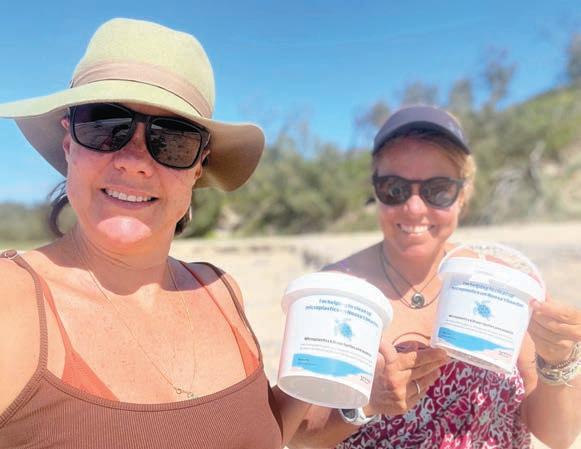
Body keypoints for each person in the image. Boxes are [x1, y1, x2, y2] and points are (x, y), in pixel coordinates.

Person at [0, 18, 307, 448]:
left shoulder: (221, 291)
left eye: (173, 139)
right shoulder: (10, 302)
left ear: (198, 166)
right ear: (69, 145)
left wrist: (344, 393)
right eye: (105, 126)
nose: (134, 161)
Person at [289, 105, 581, 449]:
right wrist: (366, 402)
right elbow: (302, 436)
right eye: (394, 188)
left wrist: (558, 360)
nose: (414, 208)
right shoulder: (336, 292)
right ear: (375, 190)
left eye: (438, 189)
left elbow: (558, 436)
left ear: (463, 195)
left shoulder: (505, 283)